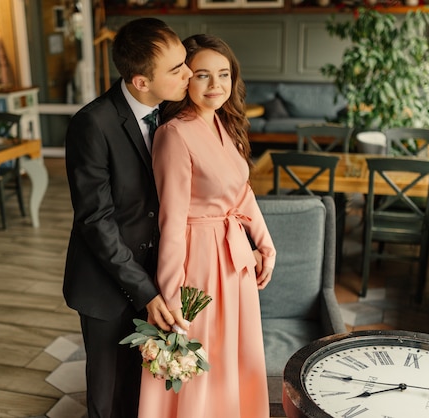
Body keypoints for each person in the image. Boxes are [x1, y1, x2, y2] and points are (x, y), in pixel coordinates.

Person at [138, 34, 276, 418]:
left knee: (235, 352)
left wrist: (265, 244)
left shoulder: (225, 123)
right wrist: (169, 294)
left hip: (235, 260)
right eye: (203, 75)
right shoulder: (174, 135)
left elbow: (241, 191)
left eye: (224, 74)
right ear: (185, 79)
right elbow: (172, 220)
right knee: (202, 354)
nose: (216, 85)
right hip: (200, 261)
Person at [62, 18, 193, 418]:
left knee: (146, 389)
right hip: (106, 284)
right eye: (176, 69)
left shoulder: (174, 113)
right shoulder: (92, 124)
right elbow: (95, 220)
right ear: (140, 81)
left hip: (159, 278)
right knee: (107, 394)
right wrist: (145, 292)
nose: (188, 73)